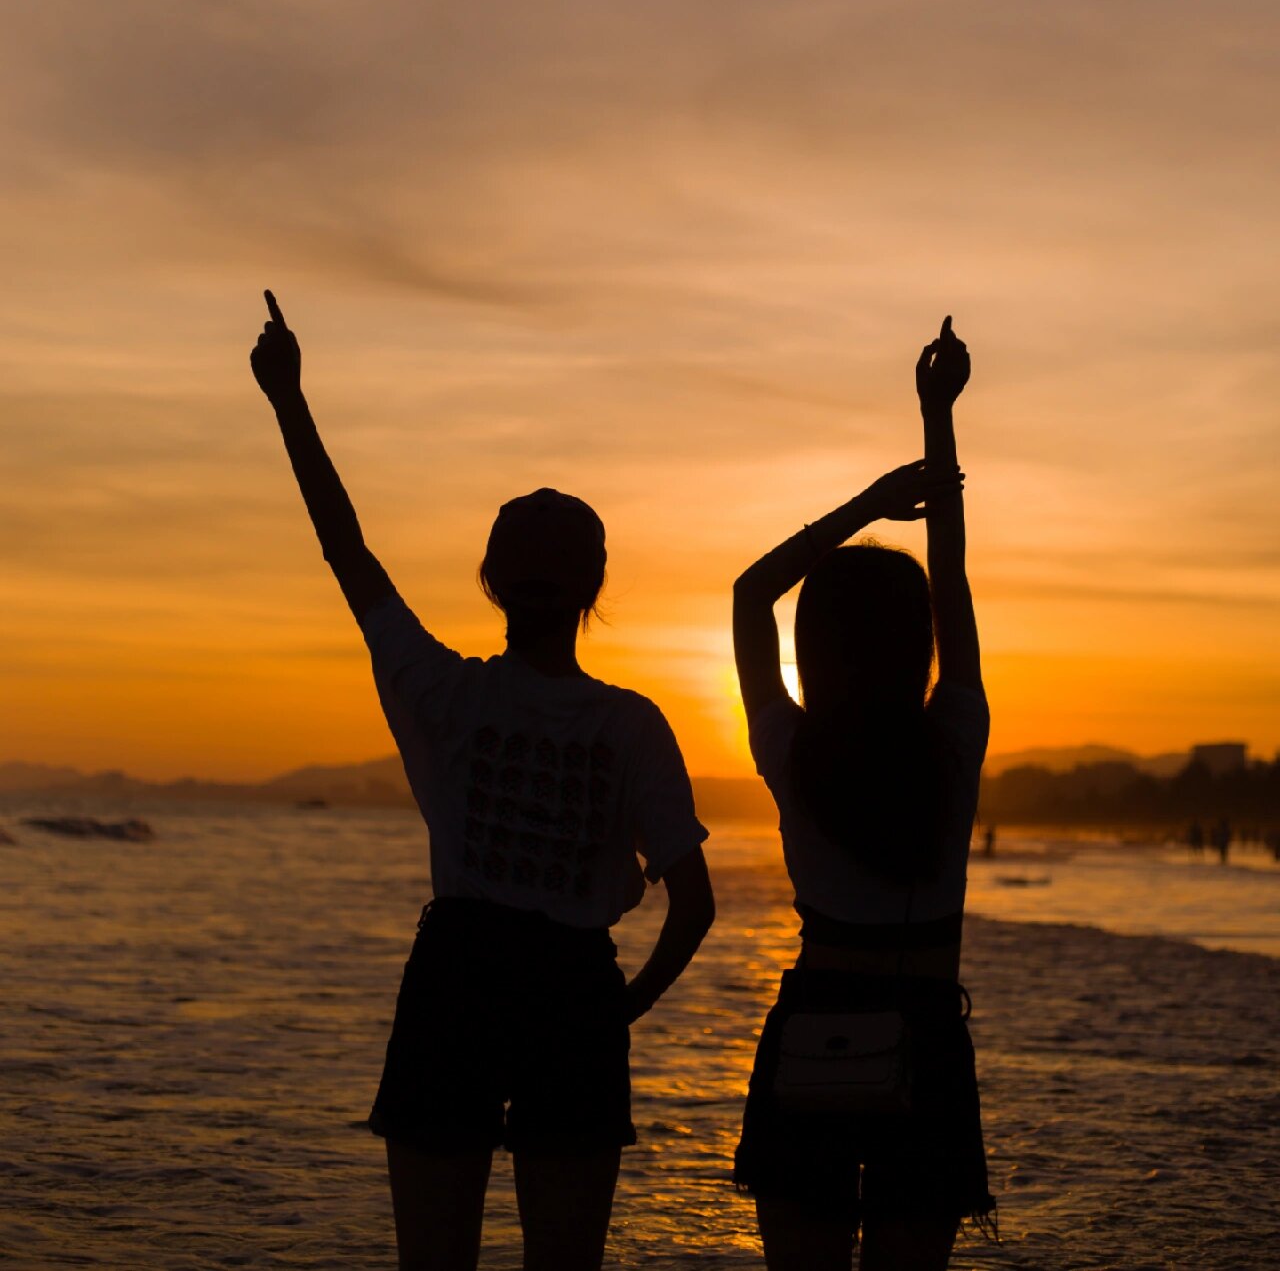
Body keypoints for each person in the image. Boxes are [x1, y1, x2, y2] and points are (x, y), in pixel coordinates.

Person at [250, 291, 715, 1271]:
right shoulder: (631, 722)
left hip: (455, 978)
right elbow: (692, 904)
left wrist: (288, 399)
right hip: (573, 986)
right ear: (591, 589)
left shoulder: (438, 692)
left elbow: (347, 548)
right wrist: (618, 1009)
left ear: (491, 582)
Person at [731, 317, 994, 1271]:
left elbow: (750, 593)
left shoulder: (792, 748)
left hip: (814, 1025)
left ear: (818, 651)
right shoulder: (953, 743)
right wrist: (937, 419)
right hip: (923, 1033)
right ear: (916, 646)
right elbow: (953, 579)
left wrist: (872, 504)